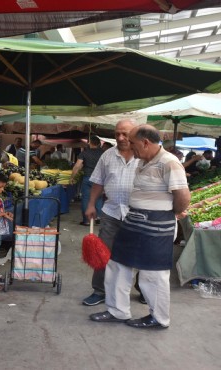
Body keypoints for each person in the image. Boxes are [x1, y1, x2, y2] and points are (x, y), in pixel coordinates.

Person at [90, 124, 190, 329]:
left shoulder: (169, 163)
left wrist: (170, 213)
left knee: (153, 273)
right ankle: (117, 310)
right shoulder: (142, 162)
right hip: (133, 221)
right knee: (118, 264)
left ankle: (159, 318)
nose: (130, 147)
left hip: (156, 226)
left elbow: (182, 196)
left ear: (145, 142)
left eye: (133, 143)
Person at [82, 119, 139, 306]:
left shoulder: (144, 154)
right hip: (111, 211)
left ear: (135, 133)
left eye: (125, 133)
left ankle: (144, 290)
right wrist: (91, 205)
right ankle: (99, 290)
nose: (121, 137)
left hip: (138, 214)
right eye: (117, 134)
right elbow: (98, 181)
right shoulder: (107, 155)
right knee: (102, 252)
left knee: (138, 253)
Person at [71, 135, 104, 226]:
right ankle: (97, 218)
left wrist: (72, 177)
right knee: (98, 198)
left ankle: (86, 221)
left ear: (90, 143)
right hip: (100, 179)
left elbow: (77, 166)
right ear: (99, 144)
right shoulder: (104, 153)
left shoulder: (84, 153)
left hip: (88, 177)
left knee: (86, 199)